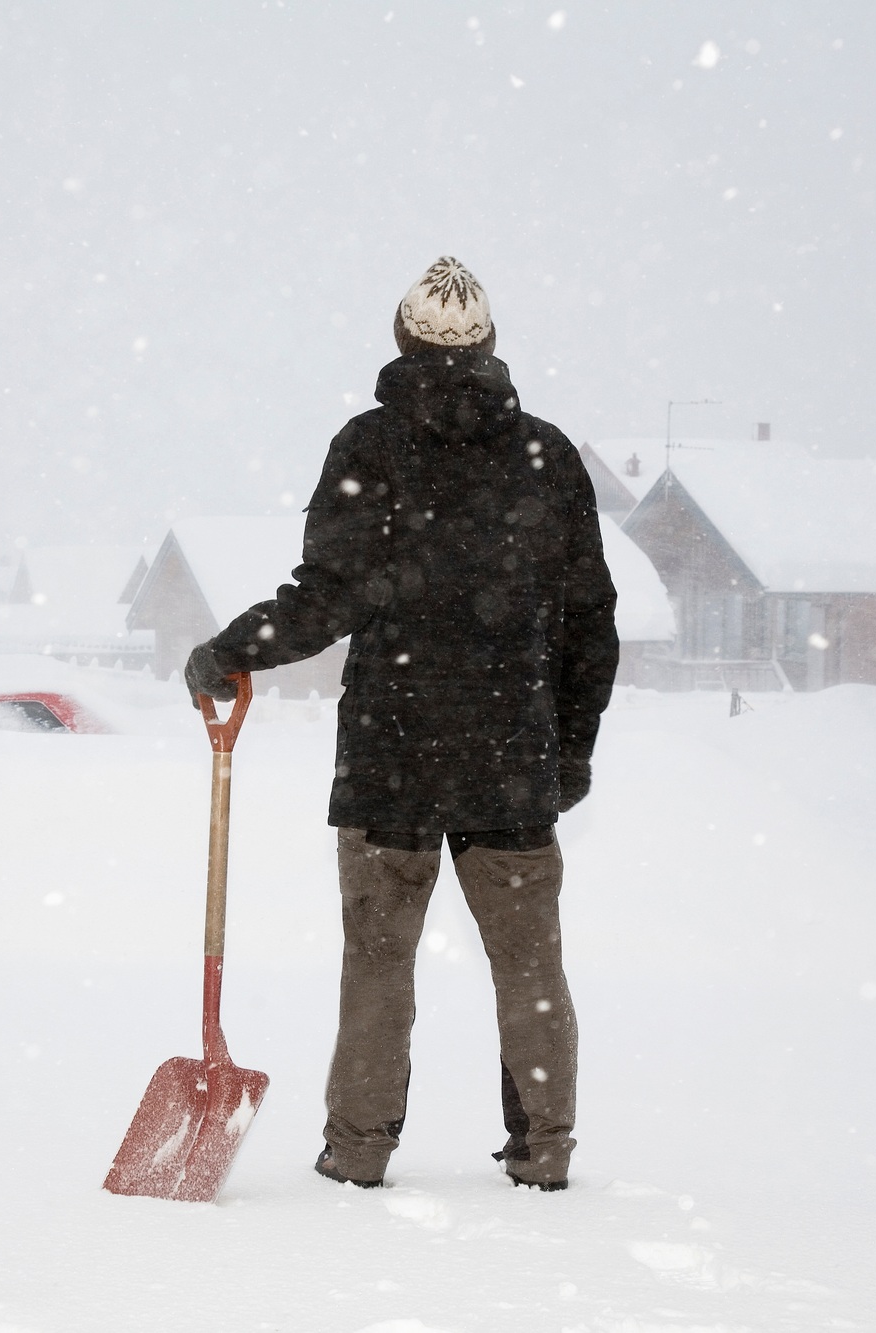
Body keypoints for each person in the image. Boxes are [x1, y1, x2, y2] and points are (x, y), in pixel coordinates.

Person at [184, 256, 619, 1191]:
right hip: (510, 758)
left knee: (379, 965)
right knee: (530, 967)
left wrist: (231, 649)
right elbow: (592, 621)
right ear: (491, 344)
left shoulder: (370, 448)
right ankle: (545, 1149)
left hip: (394, 753)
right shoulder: (546, 454)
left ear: (399, 337)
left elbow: (327, 594)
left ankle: (358, 1149)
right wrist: (566, 750)